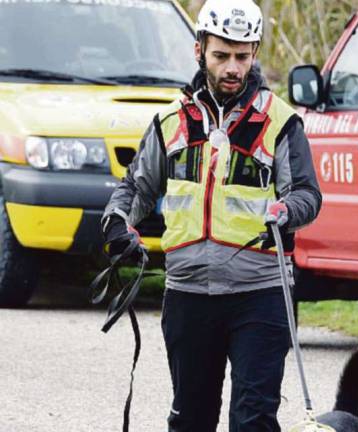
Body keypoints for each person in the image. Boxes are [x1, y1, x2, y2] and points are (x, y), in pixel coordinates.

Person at [100, 0, 322, 430]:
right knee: (191, 421)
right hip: (187, 295)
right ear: (199, 50)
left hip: (260, 293)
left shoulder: (281, 121)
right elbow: (137, 188)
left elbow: (308, 194)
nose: (233, 68)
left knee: (253, 421)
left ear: (255, 53)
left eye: (243, 56)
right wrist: (117, 221)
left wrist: (287, 209)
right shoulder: (169, 121)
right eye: (221, 56)